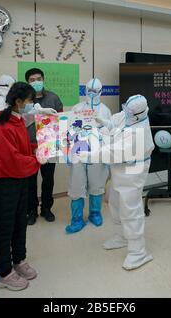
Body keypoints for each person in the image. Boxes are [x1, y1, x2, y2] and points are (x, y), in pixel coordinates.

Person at [0, 82, 42, 291]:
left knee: (20, 223)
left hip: (20, 180)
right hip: (5, 183)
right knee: (4, 228)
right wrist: (37, 161)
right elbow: (12, 160)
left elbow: (24, 148)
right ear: (18, 102)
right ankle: (4, 273)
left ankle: (19, 259)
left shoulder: (17, 121)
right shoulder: (3, 126)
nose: (32, 105)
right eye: (30, 101)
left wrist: (40, 148)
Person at [90, 94, 154, 270]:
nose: (124, 112)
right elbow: (117, 126)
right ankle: (122, 236)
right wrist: (103, 121)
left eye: (127, 111)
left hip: (133, 171)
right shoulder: (131, 115)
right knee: (115, 202)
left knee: (130, 208)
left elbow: (114, 152)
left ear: (137, 114)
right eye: (125, 107)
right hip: (120, 168)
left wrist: (87, 155)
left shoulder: (139, 131)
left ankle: (138, 251)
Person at [66, 78, 111, 234]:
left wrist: (107, 154)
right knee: (76, 185)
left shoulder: (105, 110)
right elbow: (69, 130)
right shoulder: (77, 108)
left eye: (95, 91)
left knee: (96, 184)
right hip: (79, 152)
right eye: (89, 91)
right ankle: (77, 219)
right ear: (85, 90)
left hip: (97, 154)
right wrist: (68, 152)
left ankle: (95, 213)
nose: (92, 94)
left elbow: (109, 132)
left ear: (101, 91)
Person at [25, 68, 63, 225]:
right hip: (28, 146)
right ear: (27, 82)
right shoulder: (24, 100)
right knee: (29, 180)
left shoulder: (53, 98)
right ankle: (32, 210)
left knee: (48, 179)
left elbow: (62, 120)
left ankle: (46, 208)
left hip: (49, 144)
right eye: (32, 80)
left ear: (43, 79)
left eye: (38, 78)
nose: (36, 82)